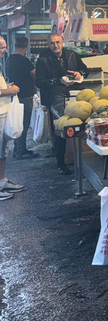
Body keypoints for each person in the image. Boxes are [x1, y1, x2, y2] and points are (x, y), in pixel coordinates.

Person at [35, 34, 89, 175]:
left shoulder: (72, 55)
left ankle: (83, 160)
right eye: (52, 43)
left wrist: (79, 73)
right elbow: (39, 82)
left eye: (58, 42)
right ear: (48, 44)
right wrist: (58, 81)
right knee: (60, 130)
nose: (55, 46)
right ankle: (61, 164)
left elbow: (86, 70)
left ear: (63, 42)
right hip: (56, 99)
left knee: (81, 127)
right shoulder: (43, 59)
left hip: (75, 97)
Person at [0, 37, 25, 200]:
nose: (5, 50)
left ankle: (2, 182)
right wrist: (5, 92)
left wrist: (6, 87)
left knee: (3, 150)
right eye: (2, 47)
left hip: (3, 112)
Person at [7, 36, 39, 160]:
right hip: (25, 96)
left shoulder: (9, 59)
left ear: (15, 45)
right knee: (23, 124)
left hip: (14, 97)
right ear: (26, 46)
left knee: (18, 124)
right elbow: (35, 74)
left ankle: (18, 150)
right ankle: (21, 151)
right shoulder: (24, 61)